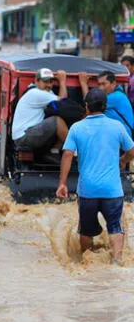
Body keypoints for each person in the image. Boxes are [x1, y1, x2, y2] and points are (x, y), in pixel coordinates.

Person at [57, 89, 134, 264]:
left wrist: (62, 183)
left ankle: (87, 261)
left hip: (88, 191)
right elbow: (132, 150)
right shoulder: (116, 126)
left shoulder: (77, 127)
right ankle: (116, 261)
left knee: (86, 230)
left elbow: (67, 155)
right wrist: (122, 161)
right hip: (112, 190)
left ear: (86, 106)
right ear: (105, 106)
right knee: (115, 228)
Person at [12, 68, 69, 159]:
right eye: (45, 82)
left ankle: (54, 151)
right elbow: (62, 102)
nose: (49, 85)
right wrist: (62, 81)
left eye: (51, 82)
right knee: (57, 121)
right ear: (37, 81)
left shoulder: (46, 92)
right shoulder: (36, 93)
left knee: (59, 118)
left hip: (28, 133)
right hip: (23, 136)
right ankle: (74, 151)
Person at [79, 71, 134, 138]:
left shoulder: (117, 97)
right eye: (99, 84)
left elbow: (89, 102)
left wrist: (83, 83)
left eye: (104, 84)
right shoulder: (116, 94)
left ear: (113, 83)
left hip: (121, 138)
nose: (101, 88)